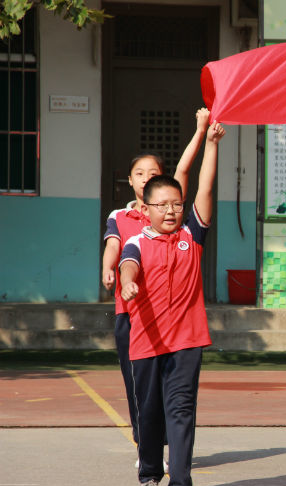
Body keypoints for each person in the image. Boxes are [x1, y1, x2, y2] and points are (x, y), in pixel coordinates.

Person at [119, 122, 226, 486]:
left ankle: (180, 483)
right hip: (146, 342)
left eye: (176, 204)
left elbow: (206, 188)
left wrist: (211, 143)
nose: (170, 210)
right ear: (145, 209)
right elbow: (128, 265)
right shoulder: (135, 240)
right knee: (148, 413)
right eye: (162, 205)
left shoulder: (191, 236)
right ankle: (149, 474)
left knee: (181, 409)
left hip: (187, 341)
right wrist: (128, 282)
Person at [101, 108, 210, 456]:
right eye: (139, 172)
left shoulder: (171, 211)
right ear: (131, 181)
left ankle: (168, 453)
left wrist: (201, 130)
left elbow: (184, 170)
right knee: (139, 389)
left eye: (153, 172)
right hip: (132, 315)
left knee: (174, 394)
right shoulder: (122, 216)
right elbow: (116, 246)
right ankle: (145, 446)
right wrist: (111, 270)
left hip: (173, 318)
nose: (146, 176)